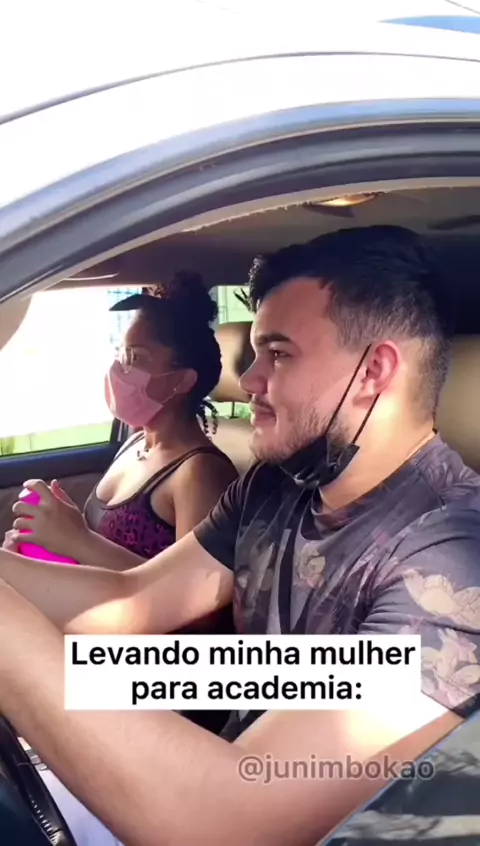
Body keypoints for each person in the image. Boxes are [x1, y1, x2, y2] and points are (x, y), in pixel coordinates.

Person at [0, 225, 479, 846]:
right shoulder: (275, 486)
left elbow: (229, 817)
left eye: (278, 354)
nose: (247, 379)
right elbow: (132, 602)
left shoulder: (452, 564)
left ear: (373, 372)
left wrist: (21, 654)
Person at [3, 271, 238, 569]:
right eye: (122, 354)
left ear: (182, 380)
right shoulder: (136, 442)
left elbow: (193, 591)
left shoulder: (200, 473)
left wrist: (77, 539)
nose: (119, 369)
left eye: (136, 358)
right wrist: (56, 533)